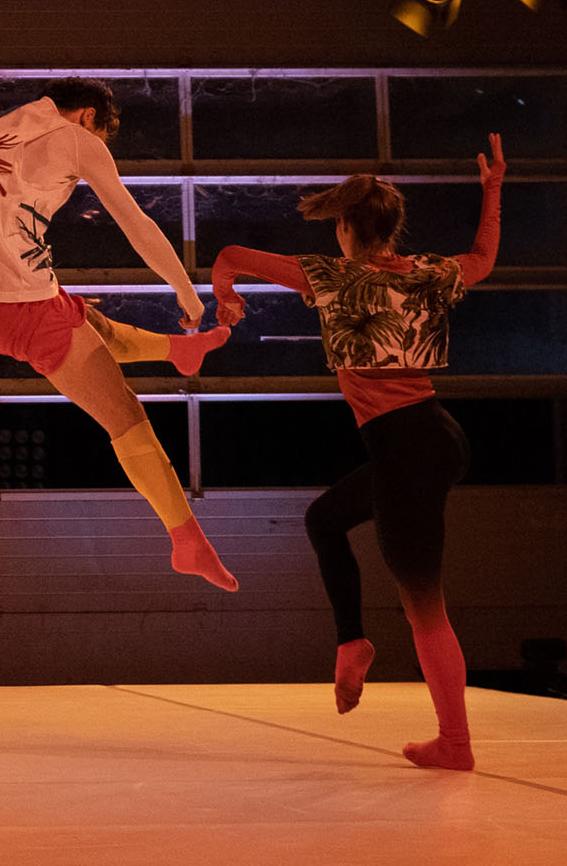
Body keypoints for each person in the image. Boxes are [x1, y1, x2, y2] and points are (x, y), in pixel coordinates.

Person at [209, 134, 503, 772]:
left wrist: (226, 300)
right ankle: (352, 643)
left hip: (406, 450)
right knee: (325, 519)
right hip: (436, 437)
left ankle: (455, 744)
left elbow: (229, 255)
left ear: (345, 227)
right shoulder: (428, 272)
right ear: (391, 228)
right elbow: (483, 256)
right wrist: (493, 190)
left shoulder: (329, 277)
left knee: (425, 609)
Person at [0, 78, 237, 591]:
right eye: (100, 134)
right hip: (19, 306)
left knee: (84, 319)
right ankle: (188, 541)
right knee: (125, 414)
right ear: (89, 117)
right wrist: (187, 295)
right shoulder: (77, 140)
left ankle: (180, 351)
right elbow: (136, 224)